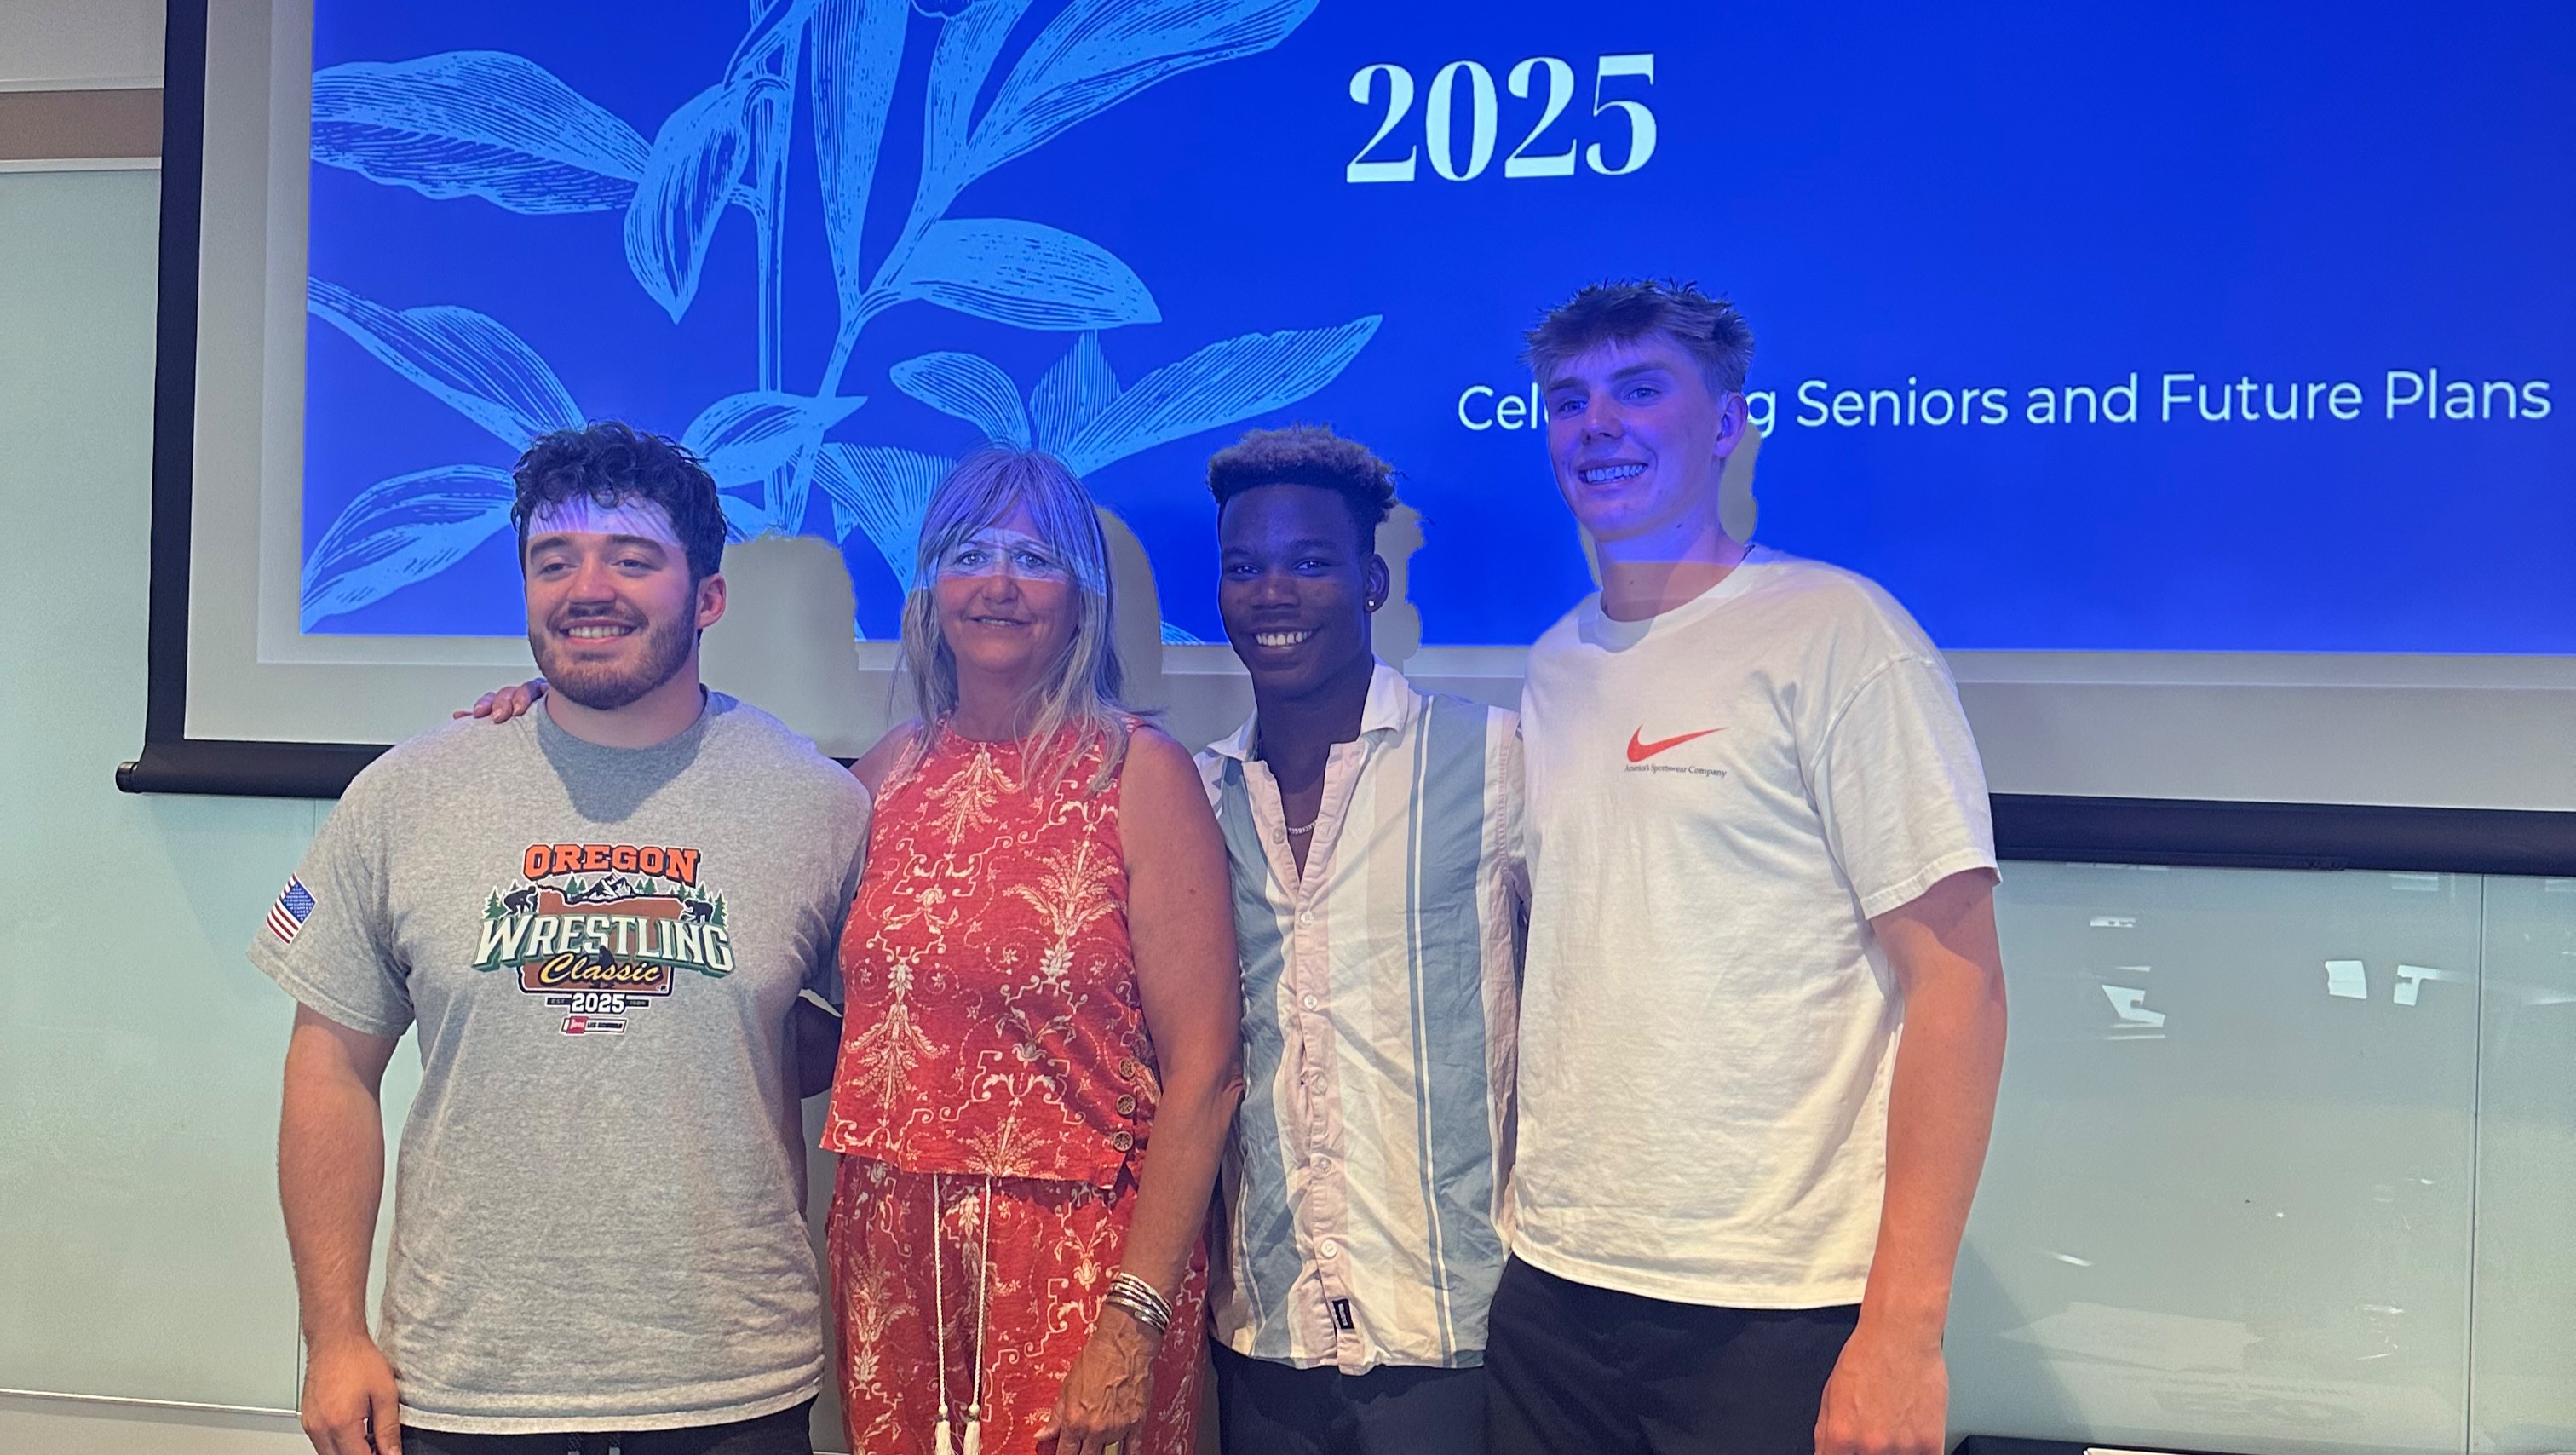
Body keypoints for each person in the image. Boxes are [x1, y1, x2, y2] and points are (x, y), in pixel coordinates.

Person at [256, 422, 872, 1455]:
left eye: (631, 559)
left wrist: (725, 1043)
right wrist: (332, 1336)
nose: (589, 589)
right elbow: (329, 1069)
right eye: (554, 560)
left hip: (732, 1387)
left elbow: (886, 1046)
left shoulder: (816, 805)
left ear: (708, 597)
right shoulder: (408, 795)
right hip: (465, 1389)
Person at [1487, 280, 2010, 1455]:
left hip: (1774, 1302)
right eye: (1568, 399)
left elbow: (1961, 986)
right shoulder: (1557, 662)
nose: (1597, 425)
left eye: (1639, 390)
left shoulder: (1840, 633)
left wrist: (1904, 1333)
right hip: (1558, 1282)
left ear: (1726, 421)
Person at [824, 448, 1241, 1455]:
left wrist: (1132, 1318)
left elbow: (1207, 1070)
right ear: (931, 587)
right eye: (969, 553)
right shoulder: (882, 777)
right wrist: (550, 709)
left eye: (1035, 557)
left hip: (1082, 1269)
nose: (999, 583)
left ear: (1081, 597)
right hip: (894, 1260)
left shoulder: (1139, 772)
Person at [1193, 426, 1526, 1455]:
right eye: (1243, 568)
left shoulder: (1498, 760)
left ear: (1371, 581)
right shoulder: (1197, 796)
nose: (1272, 593)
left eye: (1308, 563)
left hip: (1456, 1329)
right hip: (1266, 1330)